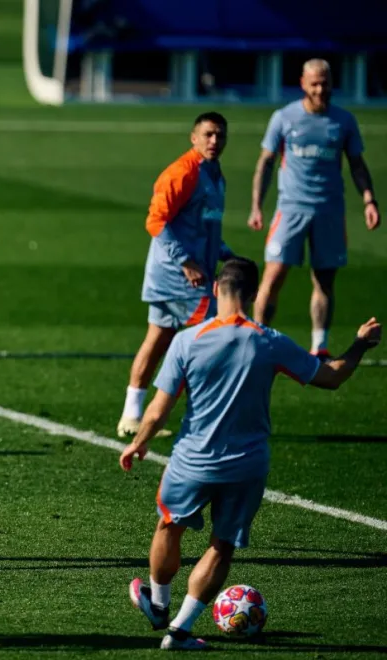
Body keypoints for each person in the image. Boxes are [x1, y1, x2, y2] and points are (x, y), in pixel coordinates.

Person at [121, 257, 380, 651]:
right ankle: (179, 632)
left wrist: (139, 441)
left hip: (192, 461)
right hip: (246, 465)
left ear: (215, 290)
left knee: (169, 526)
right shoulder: (269, 341)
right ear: (256, 294)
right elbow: (332, 377)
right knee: (221, 545)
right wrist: (360, 343)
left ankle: (158, 604)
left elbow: (158, 410)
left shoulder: (187, 340)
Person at [248, 59, 380, 358]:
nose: (320, 89)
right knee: (273, 275)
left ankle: (319, 346)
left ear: (332, 83)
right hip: (291, 208)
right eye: (314, 84)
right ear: (303, 84)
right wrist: (256, 206)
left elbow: (357, 164)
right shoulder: (284, 118)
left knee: (324, 280)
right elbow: (266, 162)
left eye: (325, 83)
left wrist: (369, 200)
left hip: (329, 210)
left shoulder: (344, 121)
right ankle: (257, 340)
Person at [118, 112, 234, 438]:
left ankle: (132, 416)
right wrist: (186, 262)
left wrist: (227, 254)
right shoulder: (183, 172)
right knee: (210, 343)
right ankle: (202, 421)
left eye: (220, 135)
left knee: (158, 340)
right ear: (193, 138)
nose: (214, 141)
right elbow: (156, 221)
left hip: (179, 275)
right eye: (208, 134)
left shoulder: (215, 175)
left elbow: (203, 228)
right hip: (181, 278)